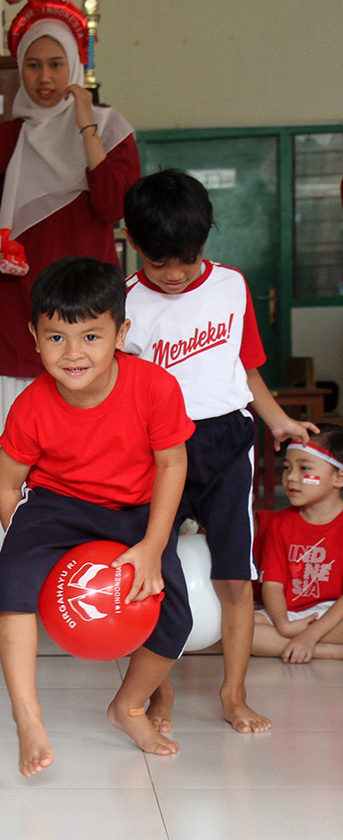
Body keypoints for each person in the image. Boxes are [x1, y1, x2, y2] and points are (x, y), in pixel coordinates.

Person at [121, 168, 317, 734]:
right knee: (150, 573)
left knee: (235, 579)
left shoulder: (231, 285)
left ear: (206, 237)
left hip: (228, 444)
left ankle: (233, 695)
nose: (177, 274)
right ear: (134, 244)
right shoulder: (127, 304)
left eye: (188, 257)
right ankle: (158, 690)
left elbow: (246, 364)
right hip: (159, 452)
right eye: (161, 263)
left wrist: (278, 421)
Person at [0, 4, 139, 621]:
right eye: (33, 64)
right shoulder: (2, 138)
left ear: (76, 65)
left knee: (86, 431)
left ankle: (84, 561)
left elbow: (113, 201)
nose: (44, 77)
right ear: (20, 68)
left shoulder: (113, 128)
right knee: (9, 430)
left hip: (88, 305)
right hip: (18, 302)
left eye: (56, 63)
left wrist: (86, 123)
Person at [0, 256, 194, 776]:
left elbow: (173, 465)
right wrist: (27, 553)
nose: (74, 353)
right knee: (9, 587)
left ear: (121, 333)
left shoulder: (154, 387)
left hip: (135, 510)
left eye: (91, 336)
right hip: (58, 505)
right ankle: (27, 717)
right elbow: (8, 480)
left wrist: (152, 547)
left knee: (176, 618)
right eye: (56, 337)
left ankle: (126, 706)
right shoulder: (31, 406)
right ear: (34, 336)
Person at [252, 425, 343, 661]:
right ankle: (332, 652)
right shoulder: (279, 523)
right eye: (287, 468)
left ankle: (305, 645)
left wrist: (311, 635)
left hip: (335, 614)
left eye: (304, 468)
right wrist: (283, 625)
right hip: (292, 615)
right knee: (236, 626)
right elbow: (272, 585)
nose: (291, 477)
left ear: (339, 477)